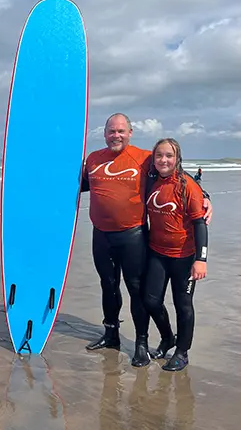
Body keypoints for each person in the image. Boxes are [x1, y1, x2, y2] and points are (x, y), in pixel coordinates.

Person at [82, 113, 212, 352]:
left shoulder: (145, 159)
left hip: (133, 235)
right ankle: (111, 334)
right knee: (107, 285)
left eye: (121, 131)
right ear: (104, 134)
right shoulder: (93, 159)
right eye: (111, 131)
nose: (116, 135)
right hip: (101, 235)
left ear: (130, 133)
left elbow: (174, 175)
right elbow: (76, 185)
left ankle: (141, 342)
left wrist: (204, 196)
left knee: (135, 288)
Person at [134, 138, 208, 372]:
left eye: (169, 156)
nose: (163, 160)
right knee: (151, 301)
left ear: (177, 159)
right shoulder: (151, 181)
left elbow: (200, 224)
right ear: (153, 159)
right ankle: (168, 337)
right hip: (157, 253)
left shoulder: (187, 185)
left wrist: (201, 259)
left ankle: (182, 352)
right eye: (159, 156)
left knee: (183, 305)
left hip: (184, 257)